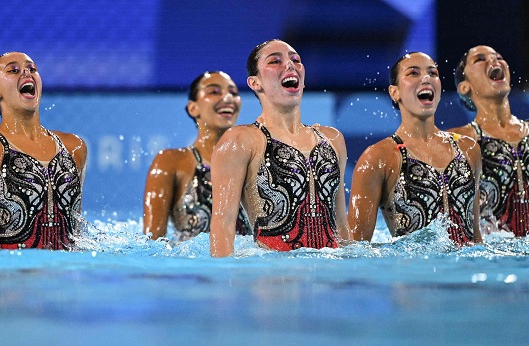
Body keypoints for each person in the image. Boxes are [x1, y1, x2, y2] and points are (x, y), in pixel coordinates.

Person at [210, 39, 348, 256]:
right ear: (255, 83)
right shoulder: (240, 141)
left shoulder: (332, 140)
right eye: (275, 61)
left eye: (296, 60)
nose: (290, 65)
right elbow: (222, 226)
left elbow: (341, 226)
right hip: (274, 278)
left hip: (331, 273)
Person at [0, 51, 87, 251]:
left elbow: (76, 235)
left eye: (32, 69)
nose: (27, 74)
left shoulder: (74, 147)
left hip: (65, 275)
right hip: (14, 278)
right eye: (13, 70)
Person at [348, 51, 482, 245]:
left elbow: (476, 237)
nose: (426, 79)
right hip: (415, 273)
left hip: (468, 272)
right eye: (413, 73)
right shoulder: (378, 158)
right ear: (394, 92)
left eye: (433, 73)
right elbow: (356, 248)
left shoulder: (469, 149)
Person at [143, 71, 251, 241]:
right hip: (193, 266)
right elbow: (151, 242)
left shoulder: (253, 161)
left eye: (234, 92)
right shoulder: (171, 162)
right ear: (193, 108)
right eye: (214, 92)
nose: (228, 97)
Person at [449, 45, 529, 236]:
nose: (494, 61)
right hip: (494, 257)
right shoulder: (459, 141)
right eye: (480, 59)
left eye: (498, 57)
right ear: (464, 86)